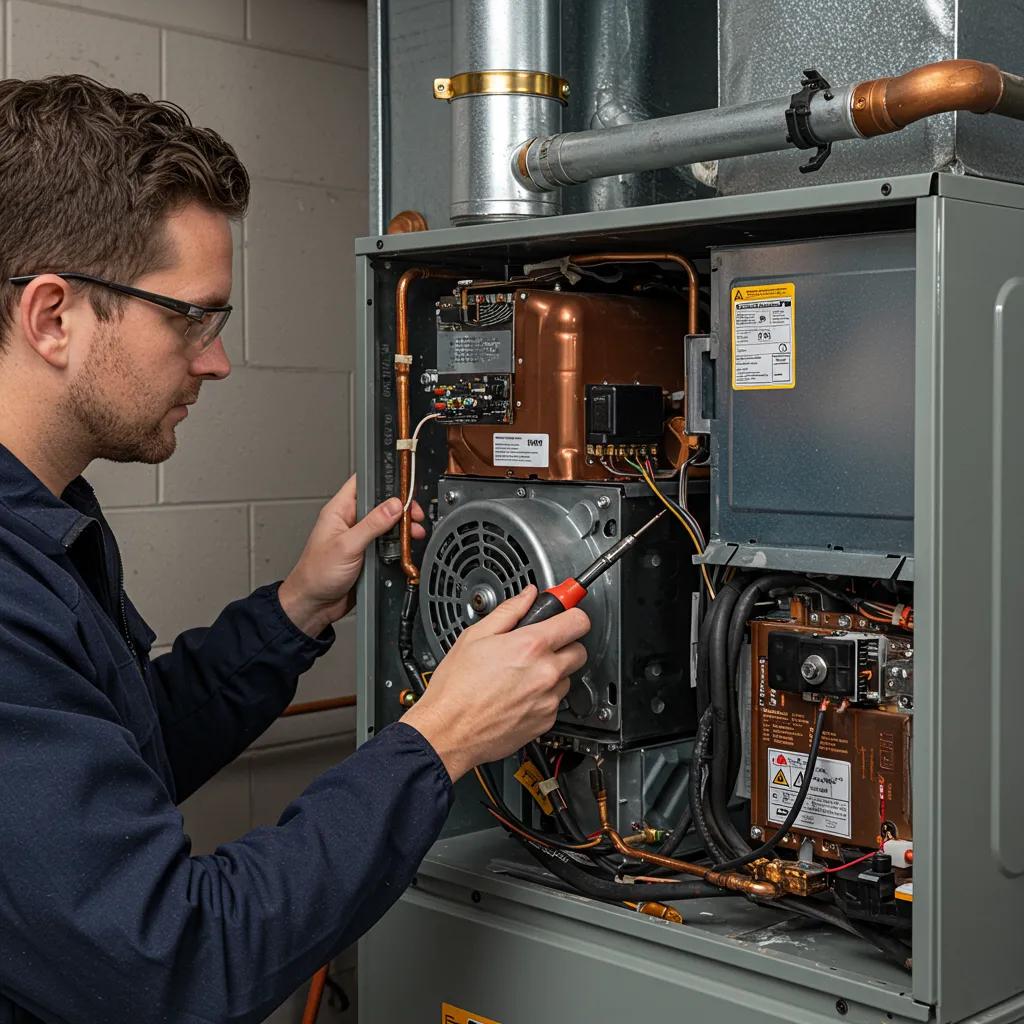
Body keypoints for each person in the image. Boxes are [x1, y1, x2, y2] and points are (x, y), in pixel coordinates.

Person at [0, 75, 590, 1023]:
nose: (215, 358)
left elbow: (116, 746)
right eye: (187, 316)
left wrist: (297, 610)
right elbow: (176, 960)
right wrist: (439, 739)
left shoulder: (48, 513)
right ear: (53, 316)